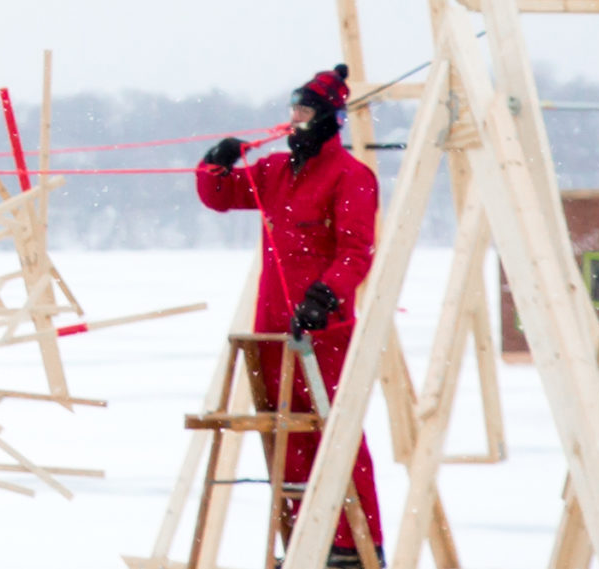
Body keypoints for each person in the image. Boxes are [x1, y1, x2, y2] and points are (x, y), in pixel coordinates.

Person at [195, 64, 384, 567]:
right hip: (273, 330)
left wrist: (324, 297)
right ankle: (305, 542)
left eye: (303, 110)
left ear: (327, 118)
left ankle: (355, 546)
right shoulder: (275, 172)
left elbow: (356, 252)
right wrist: (214, 164)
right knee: (284, 433)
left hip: (323, 330)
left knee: (334, 433)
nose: (294, 118)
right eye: (292, 109)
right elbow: (221, 196)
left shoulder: (352, 177)